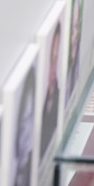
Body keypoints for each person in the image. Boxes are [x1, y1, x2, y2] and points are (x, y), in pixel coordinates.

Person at [39, 21, 61, 158]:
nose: (53, 68)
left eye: (56, 57)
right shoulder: (40, 106)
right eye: (52, 57)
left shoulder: (60, 101)